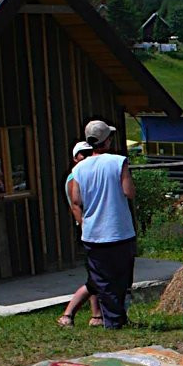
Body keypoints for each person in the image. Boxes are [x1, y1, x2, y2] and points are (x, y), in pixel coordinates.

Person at [67, 120, 137, 330]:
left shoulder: (79, 169)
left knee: (102, 279)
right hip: (119, 230)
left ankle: (112, 319)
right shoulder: (118, 162)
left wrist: (83, 224)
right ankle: (116, 318)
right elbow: (129, 192)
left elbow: (76, 200)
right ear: (107, 140)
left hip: (93, 234)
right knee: (122, 277)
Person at [57, 141, 102, 328]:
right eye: (82, 154)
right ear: (75, 158)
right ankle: (68, 314)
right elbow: (76, 206)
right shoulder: (73, 179)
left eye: (89, 153)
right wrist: (86, 229)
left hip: (96, 229)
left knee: (96, 276)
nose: (86, 157)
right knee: (95, 277)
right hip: (87, 230)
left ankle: (97, 315)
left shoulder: (87, 176)